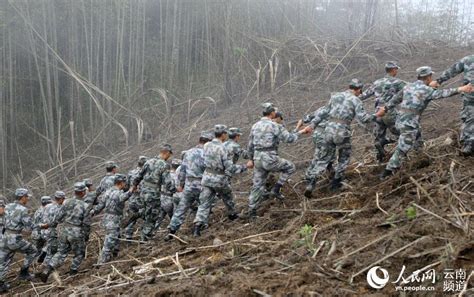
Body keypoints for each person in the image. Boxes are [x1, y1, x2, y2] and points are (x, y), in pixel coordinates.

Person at [381, 66, 474, 178]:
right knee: (403, 147)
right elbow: (443, 93)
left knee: (418, 133)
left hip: (401, 119)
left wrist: (385, 108)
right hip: (409, 123)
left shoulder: (408, 86)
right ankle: (388, 171)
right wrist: (461, 89)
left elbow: (396, 99)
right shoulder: (426, 90)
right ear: (429, 77)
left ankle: (419, 155)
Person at [301, 79, 385, 197]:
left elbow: (323, 112)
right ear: (359, 89)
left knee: (323, 158)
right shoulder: (356, 100)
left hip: (328, 130)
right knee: (343, 157)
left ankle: (312, 182)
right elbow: (364, 119)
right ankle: (336, 183)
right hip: (342, 131)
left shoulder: (335, 96)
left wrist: (311, 125)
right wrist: (377, 115)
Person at [246, 103, 307, 218]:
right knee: (290, 167)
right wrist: (301, 132)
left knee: (257, 185)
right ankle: (276, 188)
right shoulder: (274, 126)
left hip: (257, 158)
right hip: (269, 158)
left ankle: (252, 211)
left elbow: (250, 145)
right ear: (272, 113)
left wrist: (251, 159)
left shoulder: (255, 126)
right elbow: (289, 139)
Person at [193, 125, 251, 236]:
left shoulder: (206, 145)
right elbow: (230, 168)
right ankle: (232, 215)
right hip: (219, 179)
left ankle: (197, 227)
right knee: (228, 197)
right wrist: (245, 166)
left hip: (206, 178)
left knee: (204, 204)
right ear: (223, 134)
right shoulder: (223, 148)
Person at [40, 182, 91, 282]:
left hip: (64, 231)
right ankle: (73, 271)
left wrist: (50, 225)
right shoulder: (85, 206)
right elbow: (86, 223)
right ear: (83, 192)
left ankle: (48, 268)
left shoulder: (66, 202)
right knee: (79, 252)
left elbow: (58, 217)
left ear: (75, 191)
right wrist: (86, 235)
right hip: (76, 232)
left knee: (61, 252)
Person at [165, 132, 213, 240]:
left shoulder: (188, 152)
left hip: (189, 184)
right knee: (204, 206)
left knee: (181, 208)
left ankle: (171, 232)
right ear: (208, 142)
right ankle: (197, 229)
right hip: (202, 184)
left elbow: (182, 170)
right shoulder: (208, 153)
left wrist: (181, 184)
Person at [359, 62, 407, 162]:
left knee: (380, 136)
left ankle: (380, 158)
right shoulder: (397, 82)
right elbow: (412, 89)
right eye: (396, 69)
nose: (397, 71)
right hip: (389, 112)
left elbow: (364, 95)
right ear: (393, 70)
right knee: (403, 133)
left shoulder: (377, 82)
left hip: (377, 113)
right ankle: (402, 157)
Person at [0, 189, 45, 292]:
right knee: (33, 250)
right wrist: (42, 226)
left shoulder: (7, 206)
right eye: (26, 197)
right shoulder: (23, 210)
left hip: (4, 237)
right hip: (15, 238)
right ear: (22, 197)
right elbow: (30, 226)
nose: (28, 199)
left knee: (3, 261)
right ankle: (24, 273)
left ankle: (1, 284)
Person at [430, 55, 474, 156]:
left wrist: (438, 81)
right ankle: (469, 145)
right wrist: (438, 81)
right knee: (470, 119)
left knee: (470, 119)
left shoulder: (468, 59)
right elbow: (453, 70)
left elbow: (452, 70)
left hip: (470, 96)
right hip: (470, 96)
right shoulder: (468, 60)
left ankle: (469, 144)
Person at [133, 145, 175, 241]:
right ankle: (145, 238)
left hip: (143, 192)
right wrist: (174, 191)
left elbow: (139, 176)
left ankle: (138, 215)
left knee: (147, 212)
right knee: (153, 216)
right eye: (169, 155)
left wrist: (134, 186)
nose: (169, 157)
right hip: (153, 194)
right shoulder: (164, 165)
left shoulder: (148, 162)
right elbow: (167, 182)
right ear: (166, 153)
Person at [91, 174, 135, 263]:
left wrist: (92, 212)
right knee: (109, 241)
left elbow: (100, 206)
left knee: (117, 237)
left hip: (108, 218)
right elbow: (123, 198)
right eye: (124, 183)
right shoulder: (118, 193)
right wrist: (131, 191)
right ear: (120, 183)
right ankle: (101, 262)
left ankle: (115, 255)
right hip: (113, 220)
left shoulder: (107, 192)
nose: (125, 184)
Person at [297, 107, 335, 190]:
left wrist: (300, 123)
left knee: (318, 155)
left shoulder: (321, 109)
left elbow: (307, 118)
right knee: (324, 158)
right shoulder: (336, 109)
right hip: (326, 135)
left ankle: (308, 176)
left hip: (317, 135)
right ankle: (312, 181)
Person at [124, 156, 147, 240]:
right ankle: (143, 237)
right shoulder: (146, 174)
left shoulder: (131, 173)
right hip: (142, 199)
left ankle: (128, 236)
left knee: (131, 217)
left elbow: (126, 186)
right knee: (145, 218)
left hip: (132, 199)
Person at [155, 158, 181, 230]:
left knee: (159, 218)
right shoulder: (175, 176)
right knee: (174, 217)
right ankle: (173, 232)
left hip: (161, 197)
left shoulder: (165, 174)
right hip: (169, 199)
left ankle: (150, 233)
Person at [41, 191, 65, 267]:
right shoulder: (57, 208)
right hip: (52, 231)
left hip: (47, 231)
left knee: (50, 249)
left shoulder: (48, 207)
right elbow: (55, 221)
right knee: (52, 251)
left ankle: (46, 265)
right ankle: (45, 267)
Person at [32, 196, 52, 264]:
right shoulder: (48, 210)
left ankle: (35, 265)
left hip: (35, 233)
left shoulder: (38, 210)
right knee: (50, 246)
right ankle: (43, 260)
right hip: (44, 232)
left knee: (36, 251)